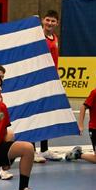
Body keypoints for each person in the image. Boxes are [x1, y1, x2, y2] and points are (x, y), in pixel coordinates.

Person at [35, 10, 64, 162]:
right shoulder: (37, 37)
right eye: (48, 20)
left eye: (53, 21)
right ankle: (31, 150)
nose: (50, 23)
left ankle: (44, 150)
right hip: (37, 81)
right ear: (42, 20)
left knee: (46, 116)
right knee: (34, 115)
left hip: (50, 82)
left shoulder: (55, 38)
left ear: (57, 23)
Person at [65, 86, 96, 164]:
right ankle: (77, 154)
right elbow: (83, 107)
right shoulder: (95, 93)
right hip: (95, 129)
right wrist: (80, 125)